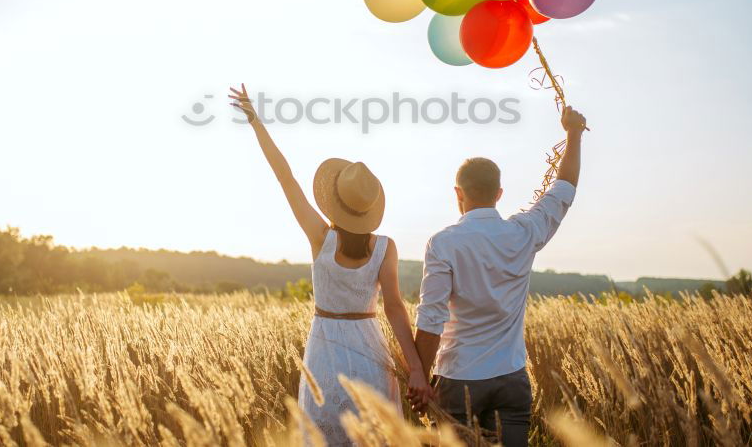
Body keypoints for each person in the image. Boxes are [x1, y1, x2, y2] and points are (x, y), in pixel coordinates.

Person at [229, 84, 431, 446]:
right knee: (373, 437)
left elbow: (285, 177)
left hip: (324, 351)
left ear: (335, 202)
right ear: (369, 210)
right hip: (371, 350)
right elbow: (396, 308)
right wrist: (416, 367)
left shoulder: (320, 238)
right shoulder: (386, 247)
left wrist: (256, 122)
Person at [411, 105, 587, 446]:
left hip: (458, 380)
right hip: (511, 380)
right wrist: (574, 135)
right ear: (499, 194)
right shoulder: (524, 232)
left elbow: (432, 317)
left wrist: (420, 375)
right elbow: (564, 190)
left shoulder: (443, 243)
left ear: (458, 194)